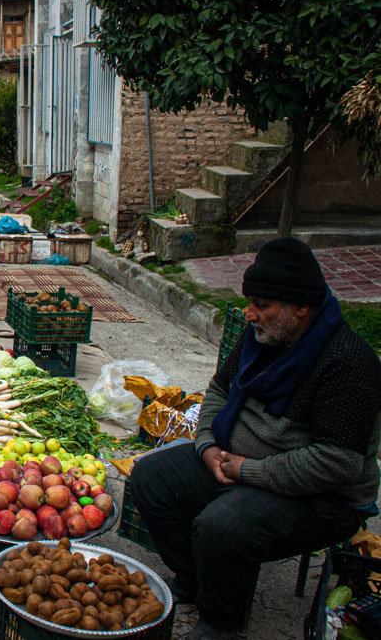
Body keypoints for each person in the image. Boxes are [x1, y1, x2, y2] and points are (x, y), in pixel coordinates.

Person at [129, 237, 381, 639]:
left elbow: (338, 463)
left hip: (321, 497)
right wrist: (208, 445)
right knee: (149, 478)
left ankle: (222, 621)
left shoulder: (348, 363)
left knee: (224, 525)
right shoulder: (265, 339)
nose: (249, 314)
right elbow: (218, 391)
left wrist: (250, 470)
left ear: (300, 308)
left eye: (261, 305)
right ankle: (198, 578)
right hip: (234, 462)